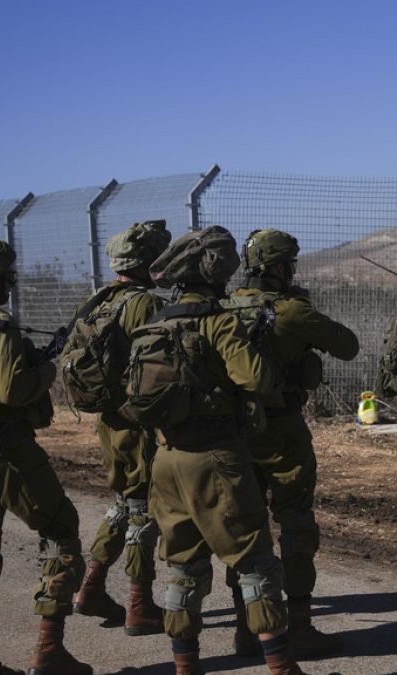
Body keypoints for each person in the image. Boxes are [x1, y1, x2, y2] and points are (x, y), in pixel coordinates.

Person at [126, 226, 303, 675]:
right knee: (255, 563)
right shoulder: (218, 321)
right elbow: (257, 379)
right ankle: (282, 669)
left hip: (165, 461)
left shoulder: (155, 323)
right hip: (217, 458)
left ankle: (186, 668)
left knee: (183, 568)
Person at [0, 236, 92, 674]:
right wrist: (48, 368)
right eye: (5, 273)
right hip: (6, 451)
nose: (11, 279)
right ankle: (49, 652)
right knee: (61, 531)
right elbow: (12, 390)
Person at [225, 229, 359, 659]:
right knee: (296, 525)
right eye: (290, 264)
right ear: (278, 267)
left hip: (232, 433)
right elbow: (348, 346)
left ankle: (249, 628)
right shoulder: (291, 310)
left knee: (245, 529)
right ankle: (299, 628)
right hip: (282, 432)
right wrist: (302, 310)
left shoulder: (222, 309)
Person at [70, 220, 172, 635]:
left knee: (125, 502)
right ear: (147, 261)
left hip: (110, 421)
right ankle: (139, 604)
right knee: (143, 512)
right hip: (138, 421)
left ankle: (90, 587)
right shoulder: (143, 304)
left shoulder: (96, 300)